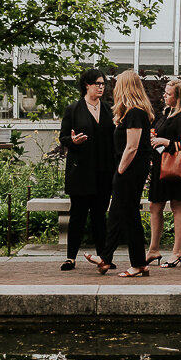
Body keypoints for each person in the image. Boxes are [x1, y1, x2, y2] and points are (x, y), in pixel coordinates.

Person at [87, 69, 155, 278]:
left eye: (117, 85)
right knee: (116, 214)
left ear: (125, 87)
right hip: (131, 168)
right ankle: (106, 258)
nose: (113, 88)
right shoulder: (132, 113)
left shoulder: (135, 112)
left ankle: (138, 263)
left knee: (129, 215)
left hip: (130, 169)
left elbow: (132, 147)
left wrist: (120, 170)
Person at [58, 68, 114, 271]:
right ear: (86, 85)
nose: (101, 87)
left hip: (104, 171)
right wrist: (72, 141)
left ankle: (104, 256)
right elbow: (63, 137)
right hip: (81, 171)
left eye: (103, 84)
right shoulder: (73, 109)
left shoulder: (108, 110)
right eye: (97, 83)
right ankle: (70, 257)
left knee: (100, 215)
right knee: (78, 215)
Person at [147, 77, 181, 267]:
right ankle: (153, 249)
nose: (164, 96)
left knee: (177, 206)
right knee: (154, 206)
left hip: (175, 166)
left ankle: (176, 252)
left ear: (178, 96)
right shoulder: (168, 112)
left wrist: (166, 143)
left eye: (168, 94)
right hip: (161, 165)